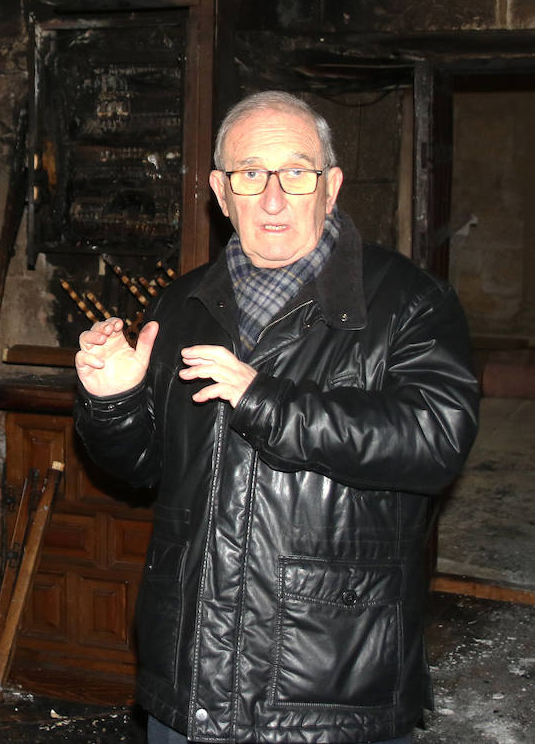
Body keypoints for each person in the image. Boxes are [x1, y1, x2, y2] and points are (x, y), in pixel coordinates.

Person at [74, 91, 479, 744]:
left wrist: (264, 400)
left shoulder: (408, 302)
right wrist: (115, 401)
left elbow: (434, 442)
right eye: (248, 175)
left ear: (332, 186)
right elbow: (140, 472)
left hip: (327, 683)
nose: (270, 199)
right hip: (190, 679)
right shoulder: (182, 307)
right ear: (218, 190)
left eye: (295, 173)